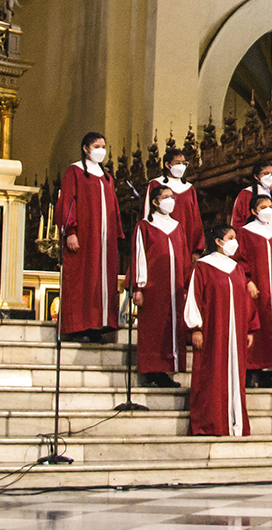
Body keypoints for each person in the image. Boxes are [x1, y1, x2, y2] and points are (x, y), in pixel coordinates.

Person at [184, 224, 260, 436]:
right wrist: (195, 328)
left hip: (235, 333)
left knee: (236, 376)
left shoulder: (236, 268)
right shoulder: (202, 266)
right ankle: (211, 422)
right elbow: (193, 297)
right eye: (231, 237)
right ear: (218, 241)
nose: (235, 241)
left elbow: (245, 301)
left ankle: (234, 423)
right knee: (211, 375)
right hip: (212, 331)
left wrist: (249, 329)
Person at [57, 132, 122, 341]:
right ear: (85, 148)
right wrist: (71, 231)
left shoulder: (107, 177)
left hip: (105, 240)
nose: (101, 150)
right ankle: (78, 326)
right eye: (96, 146)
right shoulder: (74, 172)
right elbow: (67, 201)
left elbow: (114, 208)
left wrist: (116, 234)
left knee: (102, 281)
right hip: (84, 236)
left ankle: (99, 326)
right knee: (82, 277)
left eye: (103, 145)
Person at [128, 186, 188, 388]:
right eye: (165, 197)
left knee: (172, 327)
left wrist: (187, 284)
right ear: (154, 202)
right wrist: (138, 286)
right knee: (154, 328)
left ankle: (168, 368)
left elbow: (184, 257)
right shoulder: (144, 226)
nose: (170, 200)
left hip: (175, 287)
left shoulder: (177, 226)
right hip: (154, 287)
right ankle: (152, 369)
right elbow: (139, 257)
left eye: (172, 197)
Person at [237, 195, 272, 389]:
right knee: (255, 327)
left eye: (270, 206)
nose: (268, 210)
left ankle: (268, 372)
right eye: (263, 206)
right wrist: (247, 280)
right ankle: (249, 371)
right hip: (254, 288)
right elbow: (239, 258)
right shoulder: (244, 233)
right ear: (253, 211)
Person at [145, 148, 204, 255]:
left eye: (184, 163)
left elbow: (196, 219)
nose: (181, 166)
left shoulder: (189, 189)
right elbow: (148, 213)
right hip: (161, 240)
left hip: (186, 243)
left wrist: (197, 250)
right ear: (167, 165)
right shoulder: (156, 185)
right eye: (177, 163)